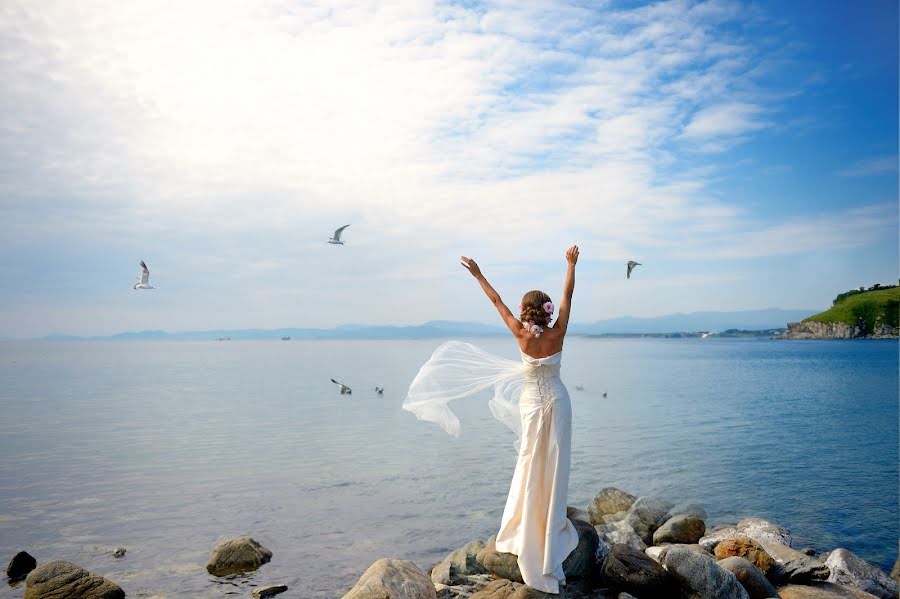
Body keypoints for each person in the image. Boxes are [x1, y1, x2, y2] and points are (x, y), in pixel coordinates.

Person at [403, 245, 581, 595]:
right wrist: (571, 264)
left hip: (532, 403)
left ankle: (527, 525)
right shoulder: (558, 331)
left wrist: (478, 274)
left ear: (524, 310)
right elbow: (568, 294)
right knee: (556, 463)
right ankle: (549, 526)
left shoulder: (518, 332)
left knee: (530, 462)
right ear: (546, 312)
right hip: (558, 402)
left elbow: (496, 301)